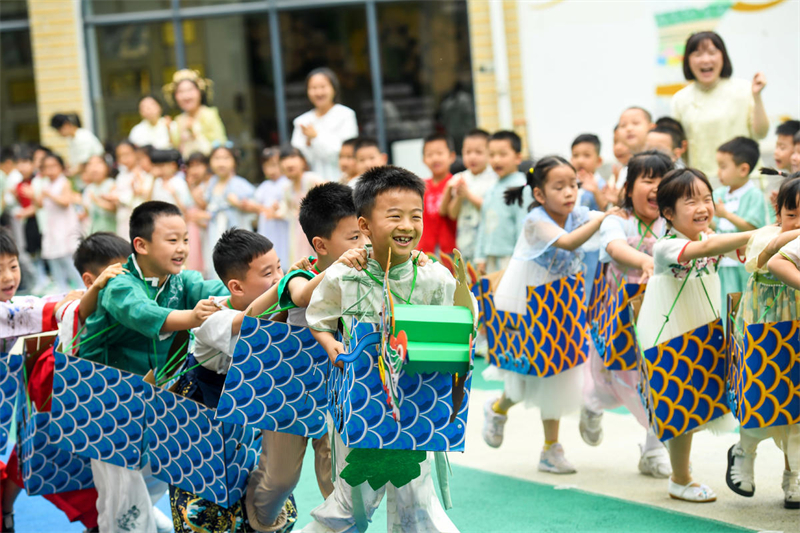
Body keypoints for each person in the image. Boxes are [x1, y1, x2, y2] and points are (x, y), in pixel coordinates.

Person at [303, 165, 460, 533]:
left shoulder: (436, 277)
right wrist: (334, 348)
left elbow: (456, 331)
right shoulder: (346, 275)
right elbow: (319, 318)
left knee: (416, 503)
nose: (407, 225)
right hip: (361, 404)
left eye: (415, 216)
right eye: (394, 216)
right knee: (352, 501)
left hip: (415, 405)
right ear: (365, 226)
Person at [482, 157, 619, 473]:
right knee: (528, 374)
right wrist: (602, 220)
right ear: (540, 195)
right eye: (560, 187)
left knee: (560, 372)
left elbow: (607, 220)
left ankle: (551, 448)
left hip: (563, 302)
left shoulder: (578, 213)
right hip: (529, 303)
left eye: (573, 185)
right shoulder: (535, 219)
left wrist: (615, 216)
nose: (570, 192)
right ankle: (499, 408)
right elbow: (570, 242)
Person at [247, 183, 363, 532]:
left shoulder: (365, 275)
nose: (362, 245)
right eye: (354, 237)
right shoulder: (300, 274)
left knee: (339, 477)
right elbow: (300, 297)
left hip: (339, 387)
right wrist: (336, 267)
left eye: (365, 234)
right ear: (320, 245)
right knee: (279, 480)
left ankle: (342, 526)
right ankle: (261, 520)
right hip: (290, 389)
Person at [636, 168, 754, 502]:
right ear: (669, 213)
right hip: (668, 327)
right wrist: (763, 231)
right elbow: (709, 248)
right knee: (680, 401)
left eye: (707, 198)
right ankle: (680, 478)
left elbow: (742, 255)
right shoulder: (666, 246)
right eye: (691, 201)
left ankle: (659, 458)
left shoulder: (707, 236)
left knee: (694, 400)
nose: (703, 206)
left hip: (702, 324)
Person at [169, 228, 297, 533]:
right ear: (236, 287)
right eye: (269, 273)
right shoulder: (212, 315)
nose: (279, 276)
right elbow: (245, 323)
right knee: (203, 510)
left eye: (280, 267)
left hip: (245, 421)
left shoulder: (278, 309)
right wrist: (287, 286)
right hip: (200, 425)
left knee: (263, 500)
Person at [60, 231, 174, 533]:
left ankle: (135, 520)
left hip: (142, 407)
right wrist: (97, 289)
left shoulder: (143, 299)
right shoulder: (75, 306)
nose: (129, 283)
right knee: (120, 491)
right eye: (120, 275)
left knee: (145, 483)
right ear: (89, 280)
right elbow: (74, 320)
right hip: (103, 413)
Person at [0, 229, 102, 533]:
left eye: (14, 266)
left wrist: (73, 299)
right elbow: (35, 311)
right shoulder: (11, 311)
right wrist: (69, 304)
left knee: (38, 444)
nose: (8, 277)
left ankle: (6, 512)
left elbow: (42, 302)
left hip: (11, 416)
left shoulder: (17, 303)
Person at [580, 151, 673, 478]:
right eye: (648, 180)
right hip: (618, 315)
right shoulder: (617, 220)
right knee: (609, 377)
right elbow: (615, 248)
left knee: (657, 378)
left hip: (661, 314)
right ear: (629, 186)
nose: (656, 188)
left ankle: (654, 449)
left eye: (664, 181)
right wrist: (646, 261)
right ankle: (591, 403)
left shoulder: (671, 221)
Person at [720, 175, 800, 510]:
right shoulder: (764, 235)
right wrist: (790, 234)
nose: (798, 223)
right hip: (763, 330)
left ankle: (793, 476)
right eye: (792, 214)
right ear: (777, 211)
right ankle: (744, 452)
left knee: (795, 404)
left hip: (796, 329)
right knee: (761, 394)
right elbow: (761, 260)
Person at [671, 31, 768, 184]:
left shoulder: (744, 89)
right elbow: (676, 147)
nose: (705, 60)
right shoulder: (680, 99)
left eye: (712, 53)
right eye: (697, 54)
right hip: (701, 183)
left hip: (744, 182)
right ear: (687, 61)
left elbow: (761, 133)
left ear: (723, 56)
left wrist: (757, 96)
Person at [712, 137, 772, 317]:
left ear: (743, 169)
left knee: (745, 308)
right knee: (724, 307)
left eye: (723, 167)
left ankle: (743, 343)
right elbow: (717, 226)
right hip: (722, 263)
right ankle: (727, 343)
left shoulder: (753, 194)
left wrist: (726, 215)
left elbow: (752, 227)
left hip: (742, 264)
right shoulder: (719, 193)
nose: (718, 172)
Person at [474, 131, 531, 274]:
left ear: (518, 157)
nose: (496, 160)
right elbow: (484, 223)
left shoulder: (522, 187)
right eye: (492, 155)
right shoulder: (492, 188)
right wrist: (480, 256)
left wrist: (521, 258)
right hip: (491, 256)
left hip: (511, 257)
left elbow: (523, 226)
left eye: (503, 154)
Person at [290, 68, 358, 182]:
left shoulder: (345, 115)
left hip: (341, 181)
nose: (318, 92)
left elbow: (347, 154)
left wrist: (316, 137)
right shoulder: (301, 121)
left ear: (334, 89)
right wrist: (308, 142)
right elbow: (298, 159)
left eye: (323, 87)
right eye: (313, 88)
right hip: (311, 185)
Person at [441, 129, 497, 264]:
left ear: (489, 154)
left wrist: (468, 195)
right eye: (467, 152)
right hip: (465, 244)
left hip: (488, 245)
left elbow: (491, 209)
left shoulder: (494, 179)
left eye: (478, 152)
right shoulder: (460, 178)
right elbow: (452, 214)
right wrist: (459, 196)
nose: (472, 157)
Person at [201, 145, 255, 278]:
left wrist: (238, 203)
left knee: (238, 260)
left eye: (226, 158)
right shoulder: (211, 183)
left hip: (235, 229)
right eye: (217, 158)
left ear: (234, 162)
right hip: (215, 229)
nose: (221, 163)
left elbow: (256, 208)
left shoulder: (239, 184)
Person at [33, 153, 83, 292]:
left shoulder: (64, 182)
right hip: (52, 225)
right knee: (53, 256)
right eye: (46, 167)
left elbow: (66, 202)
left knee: (68, 257)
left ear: (61, 167)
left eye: (53, 166)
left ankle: (81, 287)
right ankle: (62, 288)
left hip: (64, 225)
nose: (50, 170)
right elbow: (40, 204)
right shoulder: (45, 184)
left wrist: (49, 194)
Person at [163, 69, 227, 158]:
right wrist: (168, 131)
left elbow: (220, 145)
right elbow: (176, 150)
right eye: (181, 92)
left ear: (199, 92)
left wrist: (195, 135)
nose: (186, 96)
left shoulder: (209, 114)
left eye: (190, 90)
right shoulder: (178, 120)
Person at [245, 147, 290, 269]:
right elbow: (255, 204)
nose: (271, 170)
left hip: (282, 227)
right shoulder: (264, 186)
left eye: (274, 165)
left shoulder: (286, 184)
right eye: (267, 166)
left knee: (285, 251)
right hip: (268, 227)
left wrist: (272, 211)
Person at [278, 147, 322, 263]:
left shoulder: (313, 180)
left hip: (317, 228)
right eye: (285, 159)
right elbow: (287, 212)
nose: (289, 163)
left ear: (303, 161)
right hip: (297, 232)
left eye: (293, 157)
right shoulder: (287, 189)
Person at [417, 133, 457, 256]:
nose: (435, 158)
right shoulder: (420, 186)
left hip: (451, 249)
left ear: (451, 156)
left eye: (439, 153)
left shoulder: (456, 183)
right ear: (423, 159)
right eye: (429, 154)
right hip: (425, 250)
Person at [49, 113, 104, 177]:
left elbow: (84, 162)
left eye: (59, 130)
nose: (59, 134)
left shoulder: (82, 136)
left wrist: (68, 173)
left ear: (66, 125)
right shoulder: (72, 139)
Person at [570, 133, 609, 212]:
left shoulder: (603, 186)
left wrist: (596, 192)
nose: (580, 161)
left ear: (599, 161)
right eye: (575, 155)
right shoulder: (569, 184)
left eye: (586, 155)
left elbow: (607, 210)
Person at [82, 155, 117, 234]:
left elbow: (114, 208)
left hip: (112, 234)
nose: (94, 168)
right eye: (90, 164)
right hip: (94, 233)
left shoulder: (111, 184)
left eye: (98, 164)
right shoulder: (88, 188)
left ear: (107, 167)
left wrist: (96, 200)